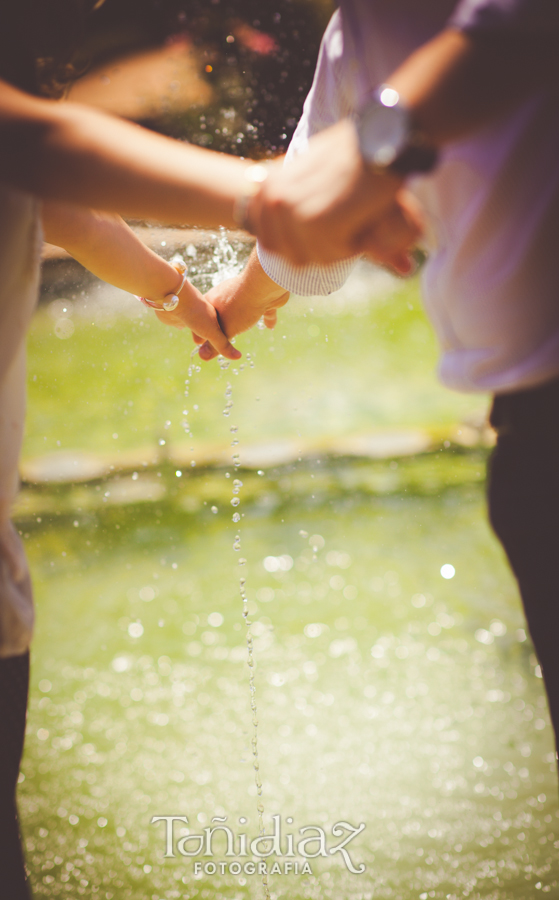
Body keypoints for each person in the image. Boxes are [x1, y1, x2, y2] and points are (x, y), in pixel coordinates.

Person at [0, 1, 290, 896]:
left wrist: (187, 298)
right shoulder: (0, 127)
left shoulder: (13, 146)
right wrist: (272, 201)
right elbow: (39, 150)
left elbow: (70, 210)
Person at [200, 0, 559, 774]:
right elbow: (306, 227)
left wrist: (373, 146)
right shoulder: (360, 25)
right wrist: (233, 303)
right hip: (535, 441)